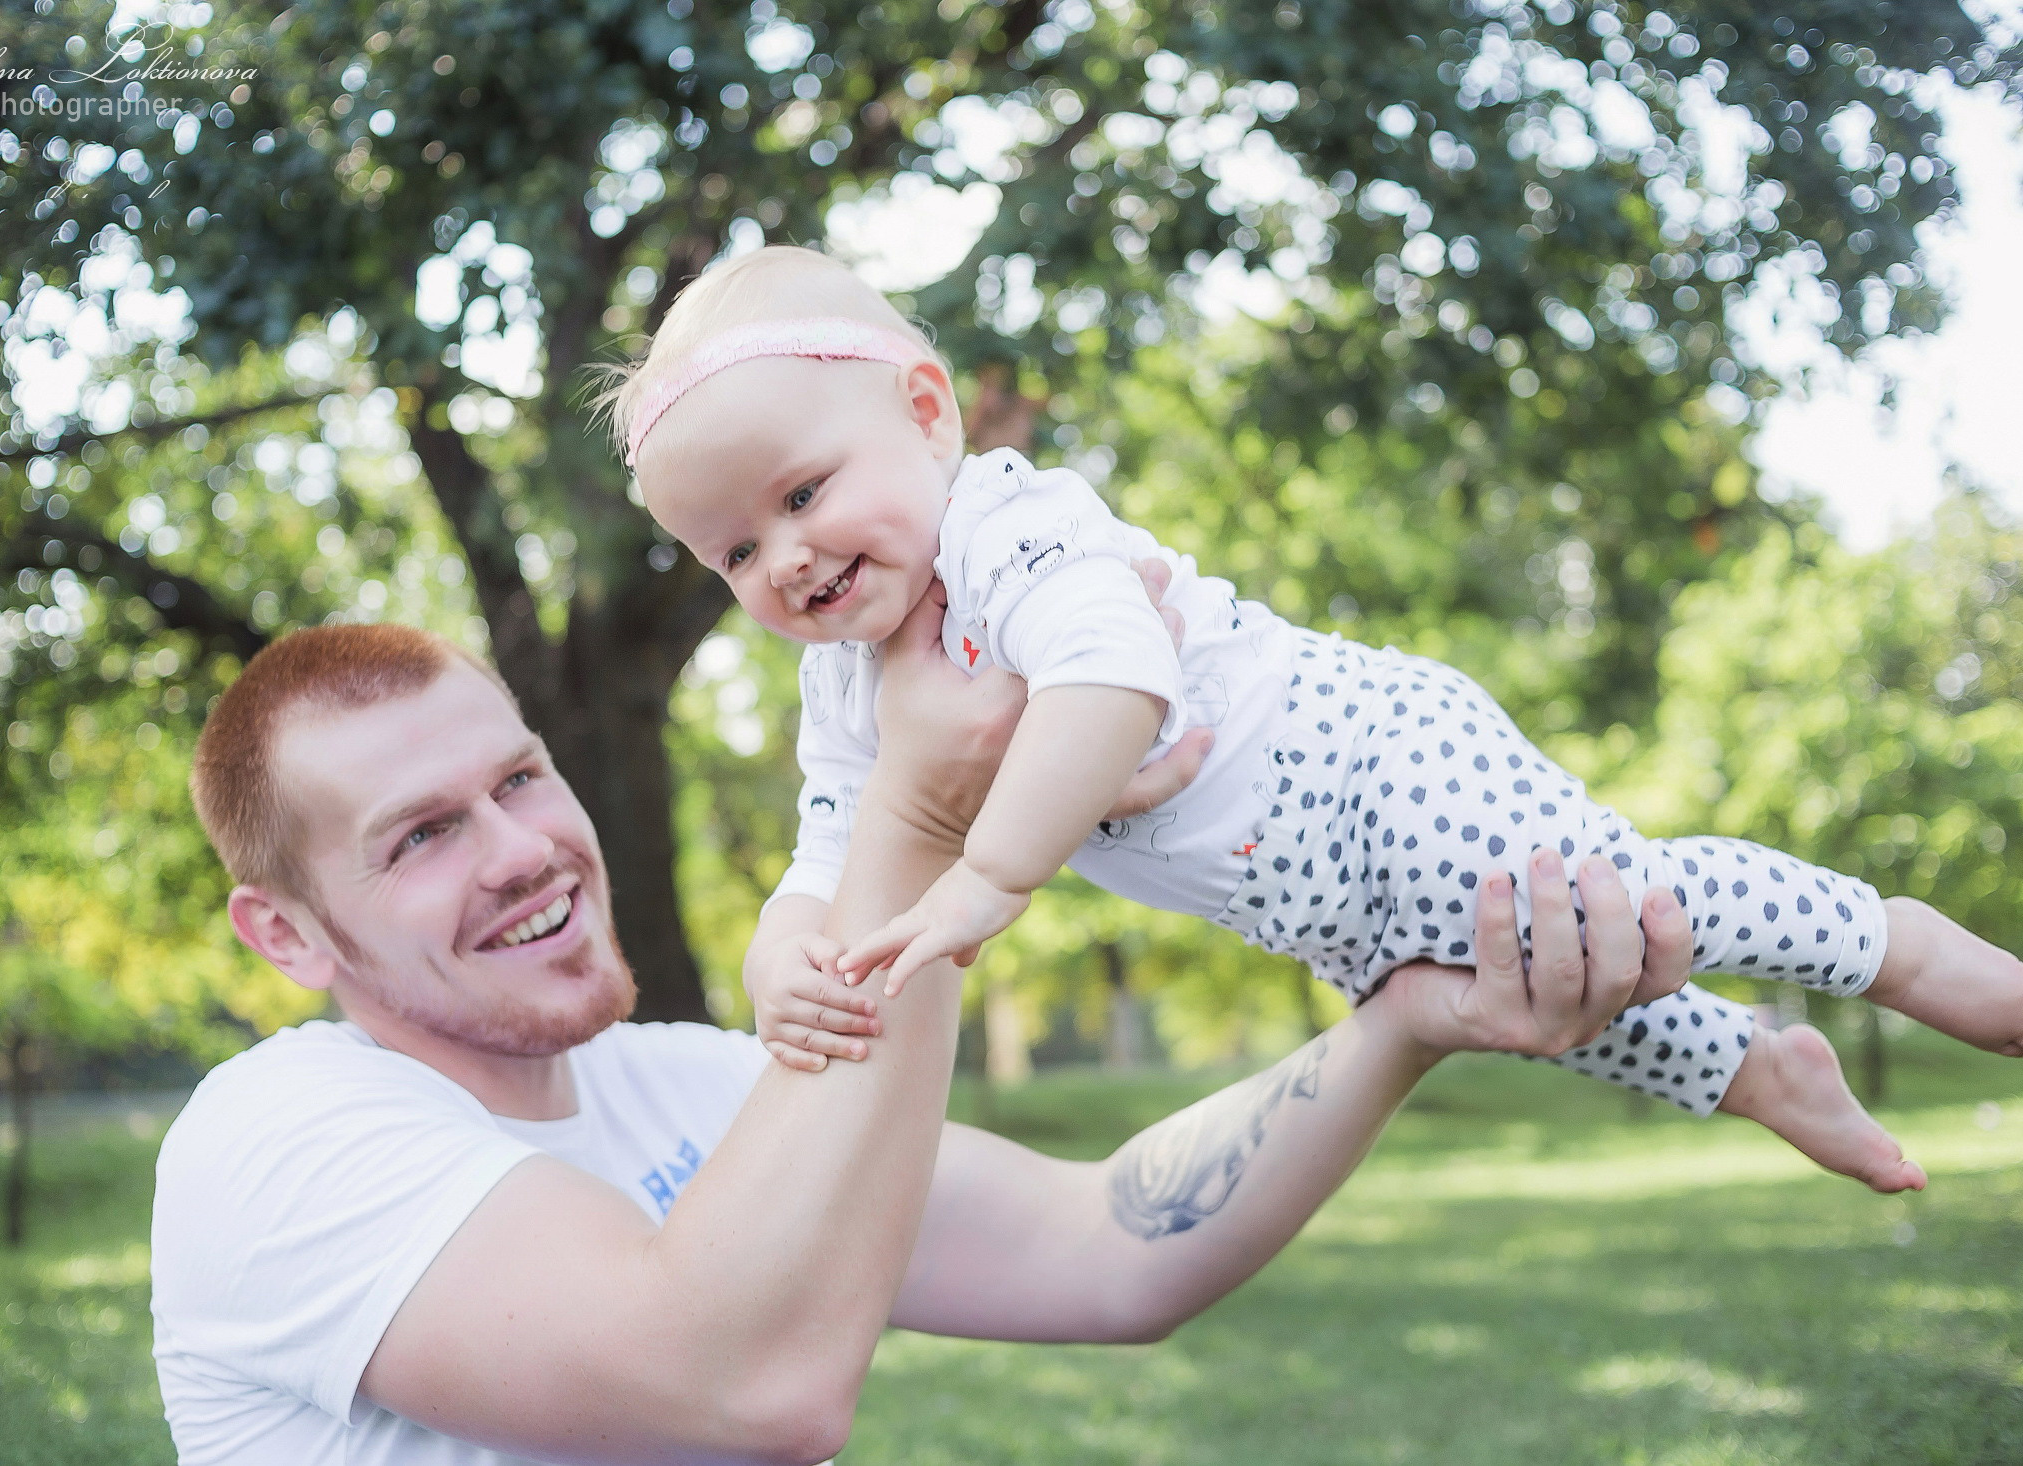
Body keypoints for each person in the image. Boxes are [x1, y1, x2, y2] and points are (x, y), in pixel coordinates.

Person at [612, 245, 2023, 1194]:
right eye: (733, 552)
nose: (782, 559)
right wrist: (785, 956)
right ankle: (1753, 1066)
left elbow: (1111, 678)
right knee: (1535, 990)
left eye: (799, 495)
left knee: (1599, 898)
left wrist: (988, 876)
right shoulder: (844, 684)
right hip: (1305, 901)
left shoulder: (1006, 521)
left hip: (1366, 765)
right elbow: (825, 848)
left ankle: (1892, 942)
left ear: (927, 414)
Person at [153, 599, 1685, 1464]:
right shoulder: (274, 1139)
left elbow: (1107, 1245)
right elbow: (742, 1386)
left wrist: (1403, 1019)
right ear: (285, 932)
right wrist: (928, 814)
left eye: (520, 779)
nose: (521, 849)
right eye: (418, 836)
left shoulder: (693, 1081)